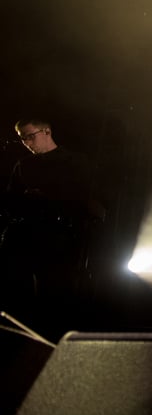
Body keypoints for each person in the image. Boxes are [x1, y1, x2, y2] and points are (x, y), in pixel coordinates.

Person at [2, 118, 104, 339]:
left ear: (46, 131)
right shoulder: (24, 165)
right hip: (27, 239)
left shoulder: (75, 162)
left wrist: (46, 199)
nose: (27, 142)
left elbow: (84, 200)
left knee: (55, 298)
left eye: (30, 136)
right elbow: (11, 201)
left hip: (60, 241)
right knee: (23, 298)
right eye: (22, 139)